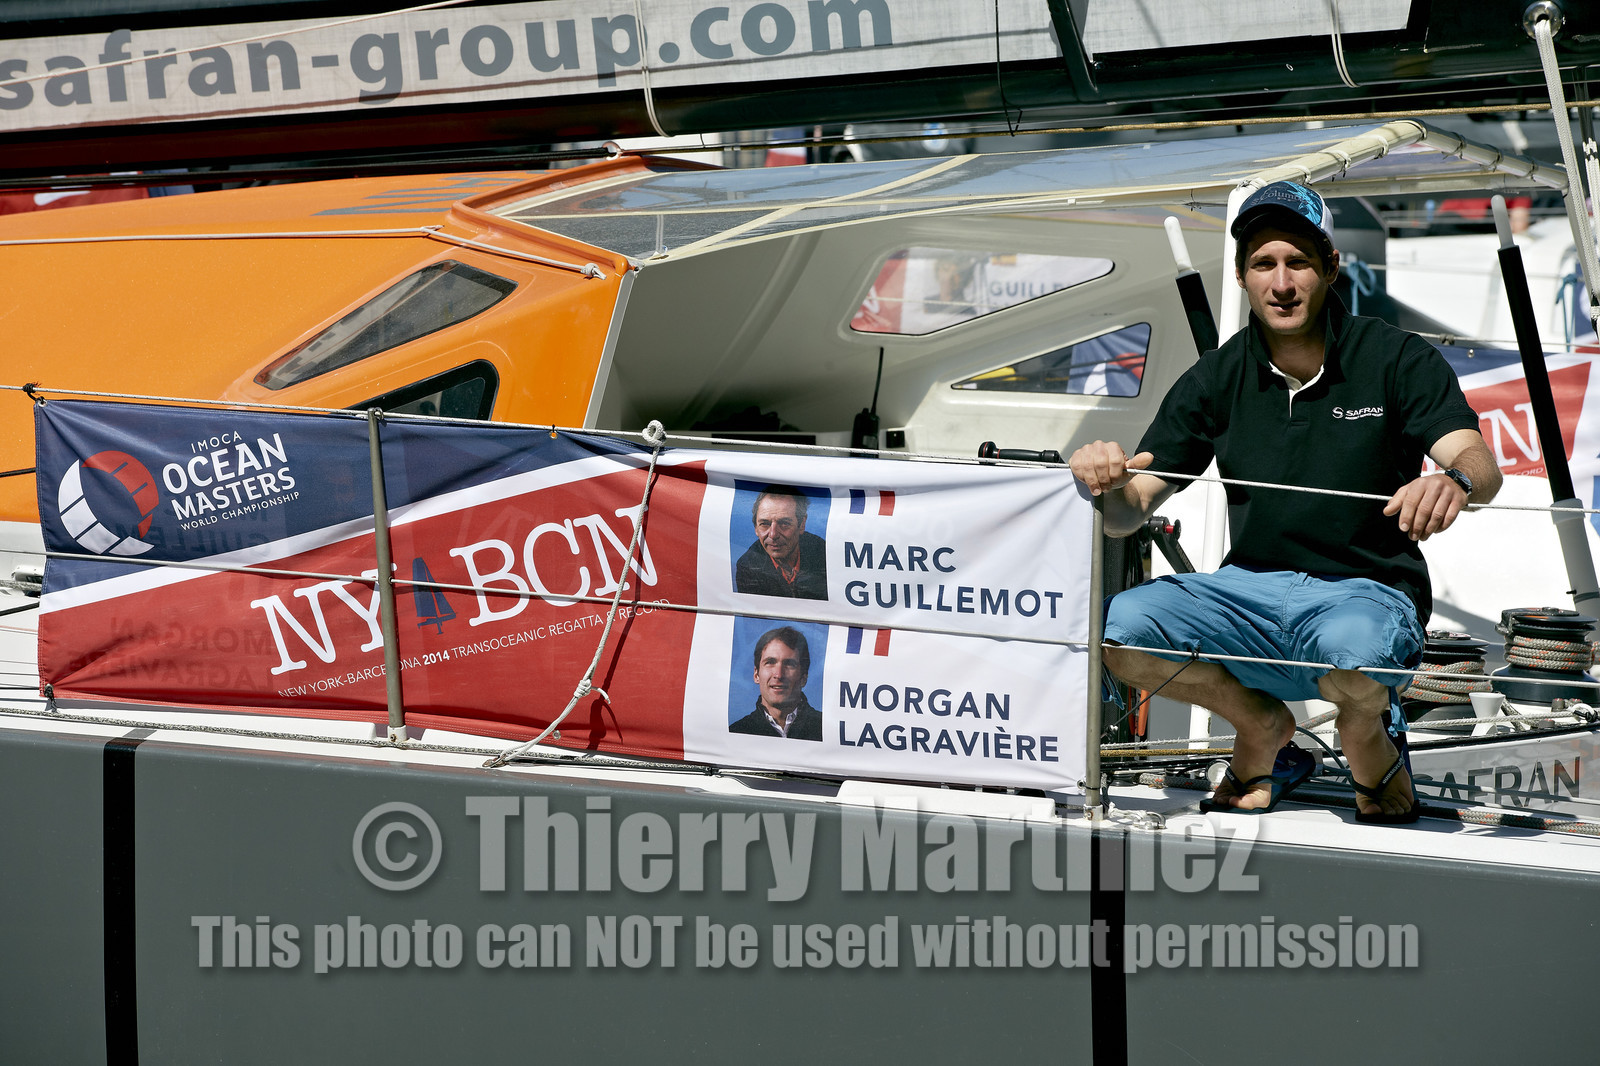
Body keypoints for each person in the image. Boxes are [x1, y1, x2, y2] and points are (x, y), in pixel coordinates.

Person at [1068, 180, 1502, 824]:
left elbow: (1481, 465)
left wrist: (1453, 482)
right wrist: (1101, 482)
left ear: (1329, 267)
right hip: (1248, 590)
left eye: (1297, 261)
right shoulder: (1216, 377)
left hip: (1368, 589)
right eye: (1263, 264)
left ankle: (1365, 742)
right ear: (1243, 277)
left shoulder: (1396, 357)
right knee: (1116, 633)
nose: (1281, 282)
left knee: (1358, 659)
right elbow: (1133, 508)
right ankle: (1261, 725)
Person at [729, 626, 823, 740]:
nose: (778, 675)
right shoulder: (736, 733)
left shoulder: (826, 730)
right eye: (770, 662)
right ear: (756, 674)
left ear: (804, 677)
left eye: (789, 664)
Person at [734, 487, 829, 599]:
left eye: (784, 523)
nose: (773, 534)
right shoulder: (748, 567)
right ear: (755, 528)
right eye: (765, 524)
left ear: (802, 524)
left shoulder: (823, 553)